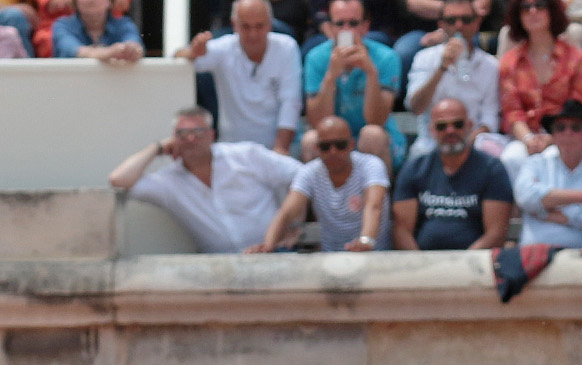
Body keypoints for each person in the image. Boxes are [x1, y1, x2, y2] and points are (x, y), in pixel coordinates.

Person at [108, 108, 301, 254]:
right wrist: (157, 148)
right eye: (182, 134)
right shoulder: (168, 182)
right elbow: (118, 179)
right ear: (173, 138)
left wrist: (293, 225)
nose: (191, 139)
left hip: (274, 253)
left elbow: (303, 176)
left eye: (198, 131)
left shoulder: (246, 155)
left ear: (212, 135)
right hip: (219, 270)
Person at [175, 0, 304, 153]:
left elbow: (291, 101)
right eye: (246, 26)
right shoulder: (223, 48)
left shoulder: (286, 47)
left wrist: (281, 147)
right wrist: (193, 52)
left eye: (259, 26)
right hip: (233, 150)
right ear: (234, 24)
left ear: (270, 24)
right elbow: (177, 57)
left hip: (278, 146)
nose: (253, 34)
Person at [251, 116, 390, 251]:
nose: (333, 151)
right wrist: (268, 245)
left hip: (374, 255)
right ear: (317, 148)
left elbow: (374, 206)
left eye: (340, 145)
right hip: (330, 259)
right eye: (325, 146)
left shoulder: (371, 165)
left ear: (351, 145)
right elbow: (286, 213)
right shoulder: (310, 172)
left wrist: (365, 241)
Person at [394, 98, 516, 248]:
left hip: (474, 264)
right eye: (442, 126)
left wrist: (462, 264)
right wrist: (420, 266)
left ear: (469, 126)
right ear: (432, 130)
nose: (450, 131)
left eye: (458, 124)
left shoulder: (492, 169)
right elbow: (401, 230)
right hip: (423, 264)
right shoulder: (414, 169)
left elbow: (496, 232)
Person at [304, 0, 403, 176]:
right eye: (340, 24)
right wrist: (331, 77)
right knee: (310, 140)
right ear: (331, 27)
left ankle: (378, 201)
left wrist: (370, 72)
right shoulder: (315, 58)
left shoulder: (387, 58)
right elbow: (318, 122)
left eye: (353, 23)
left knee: (372, 135)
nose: (347, 30)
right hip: (336, 139)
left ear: (365, 26)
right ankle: (322, 203)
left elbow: (376, 121)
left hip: (374, 138)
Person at [499, 0, 582, 181]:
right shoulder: (509, 61)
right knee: (511, 158)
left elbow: (578, 105)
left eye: (540, 5)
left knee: (551, 159)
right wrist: (528, 139)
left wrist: (551, 138)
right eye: (525, 8)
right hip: (524, 136)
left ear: (552, 11)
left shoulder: (577, 58)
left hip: (565, 134)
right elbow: (512, 110)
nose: (533, 11)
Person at [407, 0, 505, 160]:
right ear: (441, 24)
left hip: (475, 143)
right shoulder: (423, 58)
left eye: (466, 20)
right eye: (451, 20)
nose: (459, 26)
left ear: (477, 23)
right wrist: (442, 68)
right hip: (433, 142)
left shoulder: (490, 65)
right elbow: (416, 107)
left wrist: (467, 141)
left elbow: (490, 117)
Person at [515, 99, 582, 246]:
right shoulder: (536, 163)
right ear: (553, 135)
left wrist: (542, 210)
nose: (567, 133)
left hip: (581, 255)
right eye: (560, 127)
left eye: (576, 128)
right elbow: (526, 198)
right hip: (533, 253)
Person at [51, 0, 141, 60]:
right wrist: (106, 53)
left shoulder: (124, 24)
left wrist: (131, 50)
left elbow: (135, 44)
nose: (91, 0)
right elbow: (70, 49)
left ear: (110, 1)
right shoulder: (62, 25)